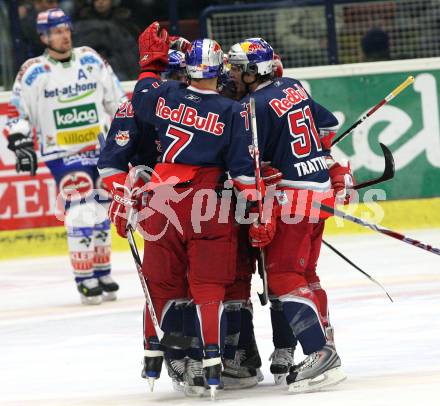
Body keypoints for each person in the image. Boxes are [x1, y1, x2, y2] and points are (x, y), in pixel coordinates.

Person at [98, 23, 264, 398]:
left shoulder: (169, 95)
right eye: (169, 73)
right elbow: (112, 165)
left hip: (211, 202)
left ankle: (238, 350)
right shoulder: (142, 104)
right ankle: (181, 352)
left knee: (232, 278)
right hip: (186, 202)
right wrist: (124, 195)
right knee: (179, 282)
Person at [228, 37, 353, 392]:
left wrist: (257, 206)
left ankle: (318, 353)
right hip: (318, 193)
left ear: (254, 71)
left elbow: (244, 170)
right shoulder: (293, 87)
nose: (233, 73)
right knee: (306, 274)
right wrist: (317, 160)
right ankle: (325, 344)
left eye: (238, 67)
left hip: (291, 199)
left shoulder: (251, 105)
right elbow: (327, 126)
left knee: (283, 275)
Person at [5, 8, 126, 305]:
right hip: (62, 152)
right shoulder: (34, 71)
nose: (64, 35)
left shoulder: (90, 59)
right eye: (57, 31)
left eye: (66, 29)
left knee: (101, 208)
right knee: (79, 208)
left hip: (100, 148)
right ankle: (85, 277)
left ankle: (102, 269)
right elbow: (18, 114)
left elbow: (116, 100)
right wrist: (20, 142)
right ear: (44, 36)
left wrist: (128, 131)